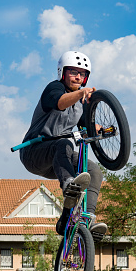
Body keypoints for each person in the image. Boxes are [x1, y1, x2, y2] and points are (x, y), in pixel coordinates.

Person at [20, 50, 107, 240]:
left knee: (93, 170)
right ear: (62, 72)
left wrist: (99, 129)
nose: (78, 77)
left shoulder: (80, 102)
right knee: (63, 143)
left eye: (82, 74)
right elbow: (59, 103)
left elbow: (85, 126)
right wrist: (80, 94)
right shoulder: (53, 88)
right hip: (34, 153)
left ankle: (82, 218)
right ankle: (69, 184)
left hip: (59, 160)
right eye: (73, 72)